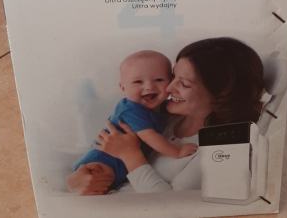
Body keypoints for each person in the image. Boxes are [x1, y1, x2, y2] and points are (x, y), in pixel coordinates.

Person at [67, 38, 264, 194]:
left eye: (183, 84)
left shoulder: (219, 151)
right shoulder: (165, 117)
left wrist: (130, 155)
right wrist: (76, 181)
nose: (168, 88)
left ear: (221, 95)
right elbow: (92, 157)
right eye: (173, 76)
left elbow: (172, 206)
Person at [69, 50, 198, 191]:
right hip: (101, 160)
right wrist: (177, 152)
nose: (149, 87)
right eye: (138, 82)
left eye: (159, 80)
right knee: (99, 183)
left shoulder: (162, 108)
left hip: (122, 165)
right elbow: (150, 137)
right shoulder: (130, 109)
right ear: (123, 88)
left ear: (170, 81)